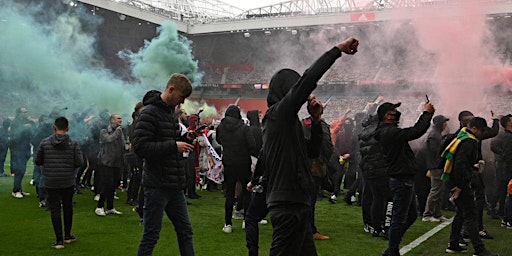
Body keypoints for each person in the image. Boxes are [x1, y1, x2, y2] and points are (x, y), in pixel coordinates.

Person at [262, 37, 359, 255]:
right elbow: (308, 79)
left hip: (297, 201)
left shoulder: (289, 123)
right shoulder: (277, 116)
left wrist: (316, 123)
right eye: (295, 90)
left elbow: (312, 152)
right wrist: (337, 50)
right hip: (287, 204)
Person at [133, 73, 196, 256]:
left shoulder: (170, 112)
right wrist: (173, 146)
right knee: (151, 235)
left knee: (185, 232)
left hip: (174, 184)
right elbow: (140, 147)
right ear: (171, 89)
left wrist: (186, 137)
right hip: (156, 185)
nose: (181, 103)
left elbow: (172, 136)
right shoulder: (149, 113)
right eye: (181, 98)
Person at [376, 101, 434, 256]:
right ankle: (392, 249)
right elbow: (416, 131)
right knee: (399, 217)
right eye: (394, 111)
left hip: (403, 178)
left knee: (410, 215)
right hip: (401, 179)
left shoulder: (387, 131)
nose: (397, 113)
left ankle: (392, 245)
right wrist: (427, 114)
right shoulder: (389, 132)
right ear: (387, 115)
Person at [443, 117, 498, 256]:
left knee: (461, 213)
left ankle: (453, 243)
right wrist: (460, 186)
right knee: (470, 214)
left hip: (455, 180)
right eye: (481, 130)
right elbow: (460, 165)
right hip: (460, 182)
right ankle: (479, 250)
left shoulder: (462, 136)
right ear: (473, 128)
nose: (482, 133)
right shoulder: (469, 142)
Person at [35, 117, 83, 249]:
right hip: (67, 180)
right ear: (67, 128)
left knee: (55, 209)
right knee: (68, 206)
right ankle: (67, 236)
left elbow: (38, 161)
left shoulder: (44, 143)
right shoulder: (74, 143)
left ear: (54, 127)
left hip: (50, 180)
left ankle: (59, 241)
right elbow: (79, 162)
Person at [217, 104, 258, 233]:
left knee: (229, 194)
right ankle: (246, 220)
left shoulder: (220, 128)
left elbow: (219, 141)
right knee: (247, 192)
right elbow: (252, 145)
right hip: (243, 163)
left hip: (228, 163)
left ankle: (228, 224)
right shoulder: (244, 128)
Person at [94, 114, 125, 216]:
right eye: (118, 118)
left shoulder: (120, 131)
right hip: (106, 162)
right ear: (112, 120)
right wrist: (117, 132)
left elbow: (122, 144)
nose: (120, 120)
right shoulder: (104, 131)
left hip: (117, 162)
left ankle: (110, 207)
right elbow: (108, 139)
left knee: (114, 185)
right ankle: (99, 206)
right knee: (106, 184)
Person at [422, 115, 450, 222]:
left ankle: (437, 213)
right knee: (435, 190)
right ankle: (427, 214)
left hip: (438, 166)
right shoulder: (434, 136)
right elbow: (437, 152)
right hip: (436, 166)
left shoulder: (436, 134)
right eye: (444, 122)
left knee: (439, 190)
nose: (445, 124)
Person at [10, 107, 34, 198]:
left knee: (22, 170)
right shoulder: (15, 122)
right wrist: (23, 128)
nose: (26, 114)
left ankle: (19, 189)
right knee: (19, 170)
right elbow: (14, 135)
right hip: (17, 149)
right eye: (24, 112)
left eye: (26, 112)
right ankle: (15, 190)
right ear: (19, 113)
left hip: (25, 148)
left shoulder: (26, 121)